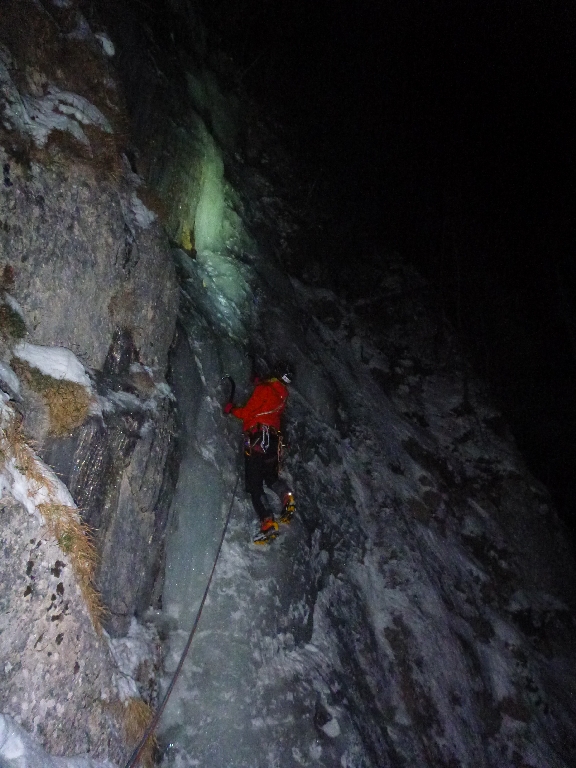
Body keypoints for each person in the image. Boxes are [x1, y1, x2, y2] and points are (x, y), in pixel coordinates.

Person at [224, 362, 296, 543]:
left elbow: (248, 412)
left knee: (254, 485)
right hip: (273, 441)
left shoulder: (264, 389)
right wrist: (260, 383)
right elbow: (266, 403)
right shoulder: (281, 395)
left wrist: (232, 410)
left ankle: (268, 522)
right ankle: (287, 499)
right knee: (270, 477)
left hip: (258, 439)